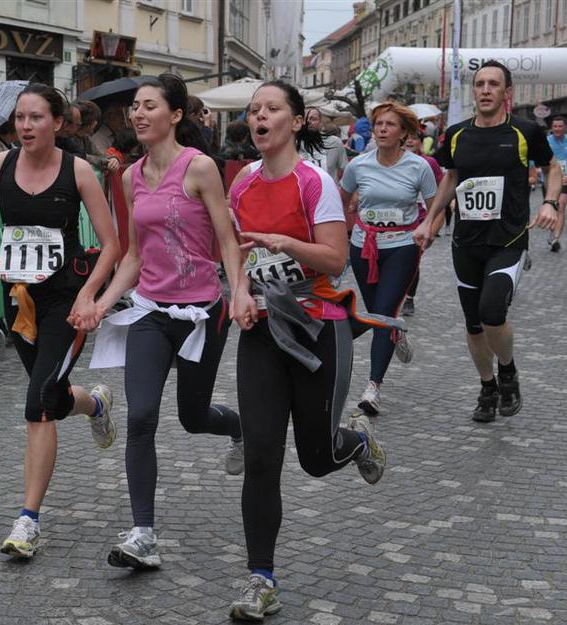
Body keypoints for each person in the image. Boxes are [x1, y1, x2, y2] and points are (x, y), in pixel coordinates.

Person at [226, 80, 390, 621]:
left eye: (271, 109)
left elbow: (335, 259)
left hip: (318, 327)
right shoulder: (243, 183)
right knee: (261, 457)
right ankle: (261, 578)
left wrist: (288, 244)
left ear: (296, 122)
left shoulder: (314, 182)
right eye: (254, 110)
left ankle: (355, 441)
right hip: (262, 330)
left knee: (316, 459)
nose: (259, 117)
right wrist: (241, 291)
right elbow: (236, 252)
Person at [0, 83, 120, 559]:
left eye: (36, 117)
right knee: (53, 396)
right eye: (20, 118)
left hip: (66, 302)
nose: (25, 126)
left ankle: (28, 520)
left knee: (39, 402)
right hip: (17, 299)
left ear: (58, 123)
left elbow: (112, 245)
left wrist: (88, 295)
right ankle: (95, 405)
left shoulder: (78, 170)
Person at [87, 73, 246, 570]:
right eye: (135, 106)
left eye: (149, 105)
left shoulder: (199, 167)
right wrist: (102, 301)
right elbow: (134, 255)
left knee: (193, 417)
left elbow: (226, 241)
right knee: (140, 417)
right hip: (151, 312)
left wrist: (240, 291)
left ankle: (239, 428)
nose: (138, 113)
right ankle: (143, 535)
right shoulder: (130, 177)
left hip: (202, 312)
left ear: (175, 115)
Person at [414, 60, 560, 423]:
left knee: (492, 312)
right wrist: (430, 221)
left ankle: (507, 371)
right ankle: (487, 386)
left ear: (507, 92)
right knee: (473, 324)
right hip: (466, 242)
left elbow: (552, 168)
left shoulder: (525, 131)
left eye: (493, 84)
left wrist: (550, 202)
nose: (485, 90)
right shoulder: (456, 133)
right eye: (480, 84)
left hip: (508, 239)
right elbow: (451, 178)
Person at [340, 102, 438, 415]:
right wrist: (348, 220)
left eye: (390, 124)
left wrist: (427, 229)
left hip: (402, 246)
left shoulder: (419, 167)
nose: (382, 129)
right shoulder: (358, 165)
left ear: (404, 133)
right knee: (377, 315)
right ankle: (397, 331)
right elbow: (341, 201)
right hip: (363, 246)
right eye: (378, 124)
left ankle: (373, 388)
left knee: (382, 313)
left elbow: (436, 209)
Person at [402, 128, 445, 316]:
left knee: (412, 261)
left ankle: (409, 298)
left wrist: (434, 226)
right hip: (397, 220)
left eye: (414, 138)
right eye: (407, 138)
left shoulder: (429, 162)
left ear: (421, 142)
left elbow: (442, 187)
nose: (410, 141)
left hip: (420, 219)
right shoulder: (394, 161)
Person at [546, 116, 567, 253]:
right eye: (555, 126)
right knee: (551, 206)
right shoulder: (546, 141)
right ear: (551, 128)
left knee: (561, 205)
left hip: (566, 179)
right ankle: (552, 232)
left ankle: (555, 238)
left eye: (560, 126)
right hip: (549, 180)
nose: (557, 129)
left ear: (565, 127)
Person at [300, 108, 347, 183]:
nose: (308, 122)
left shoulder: (335, 142)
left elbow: (345, 170)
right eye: (305, 119)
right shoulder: (292, 145)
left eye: (313, 119)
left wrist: (339, 187)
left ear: (320, 122)